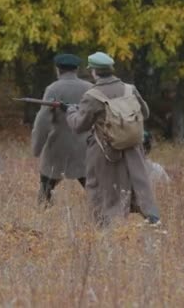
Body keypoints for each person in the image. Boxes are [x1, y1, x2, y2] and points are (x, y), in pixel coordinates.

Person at [66, 52, 161, 226]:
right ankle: (152, 216)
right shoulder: (130, 89)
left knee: (101, 190)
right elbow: (145, 112)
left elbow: (79, 125)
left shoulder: (92, 96)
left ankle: (106, 229)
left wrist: (71, 112)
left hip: (106, 152)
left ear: (94, 71)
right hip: (133, 148)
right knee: (139, 184)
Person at [31, 53, 92, 206]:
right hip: (85, 147)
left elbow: (43, 121)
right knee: (93, 190)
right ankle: (102, 220)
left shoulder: (53, 89)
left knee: (46, 189)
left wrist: (37, 148)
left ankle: (43, 217)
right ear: (77, 69)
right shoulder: (90, 88)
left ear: (58, 69)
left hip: (58, 146)